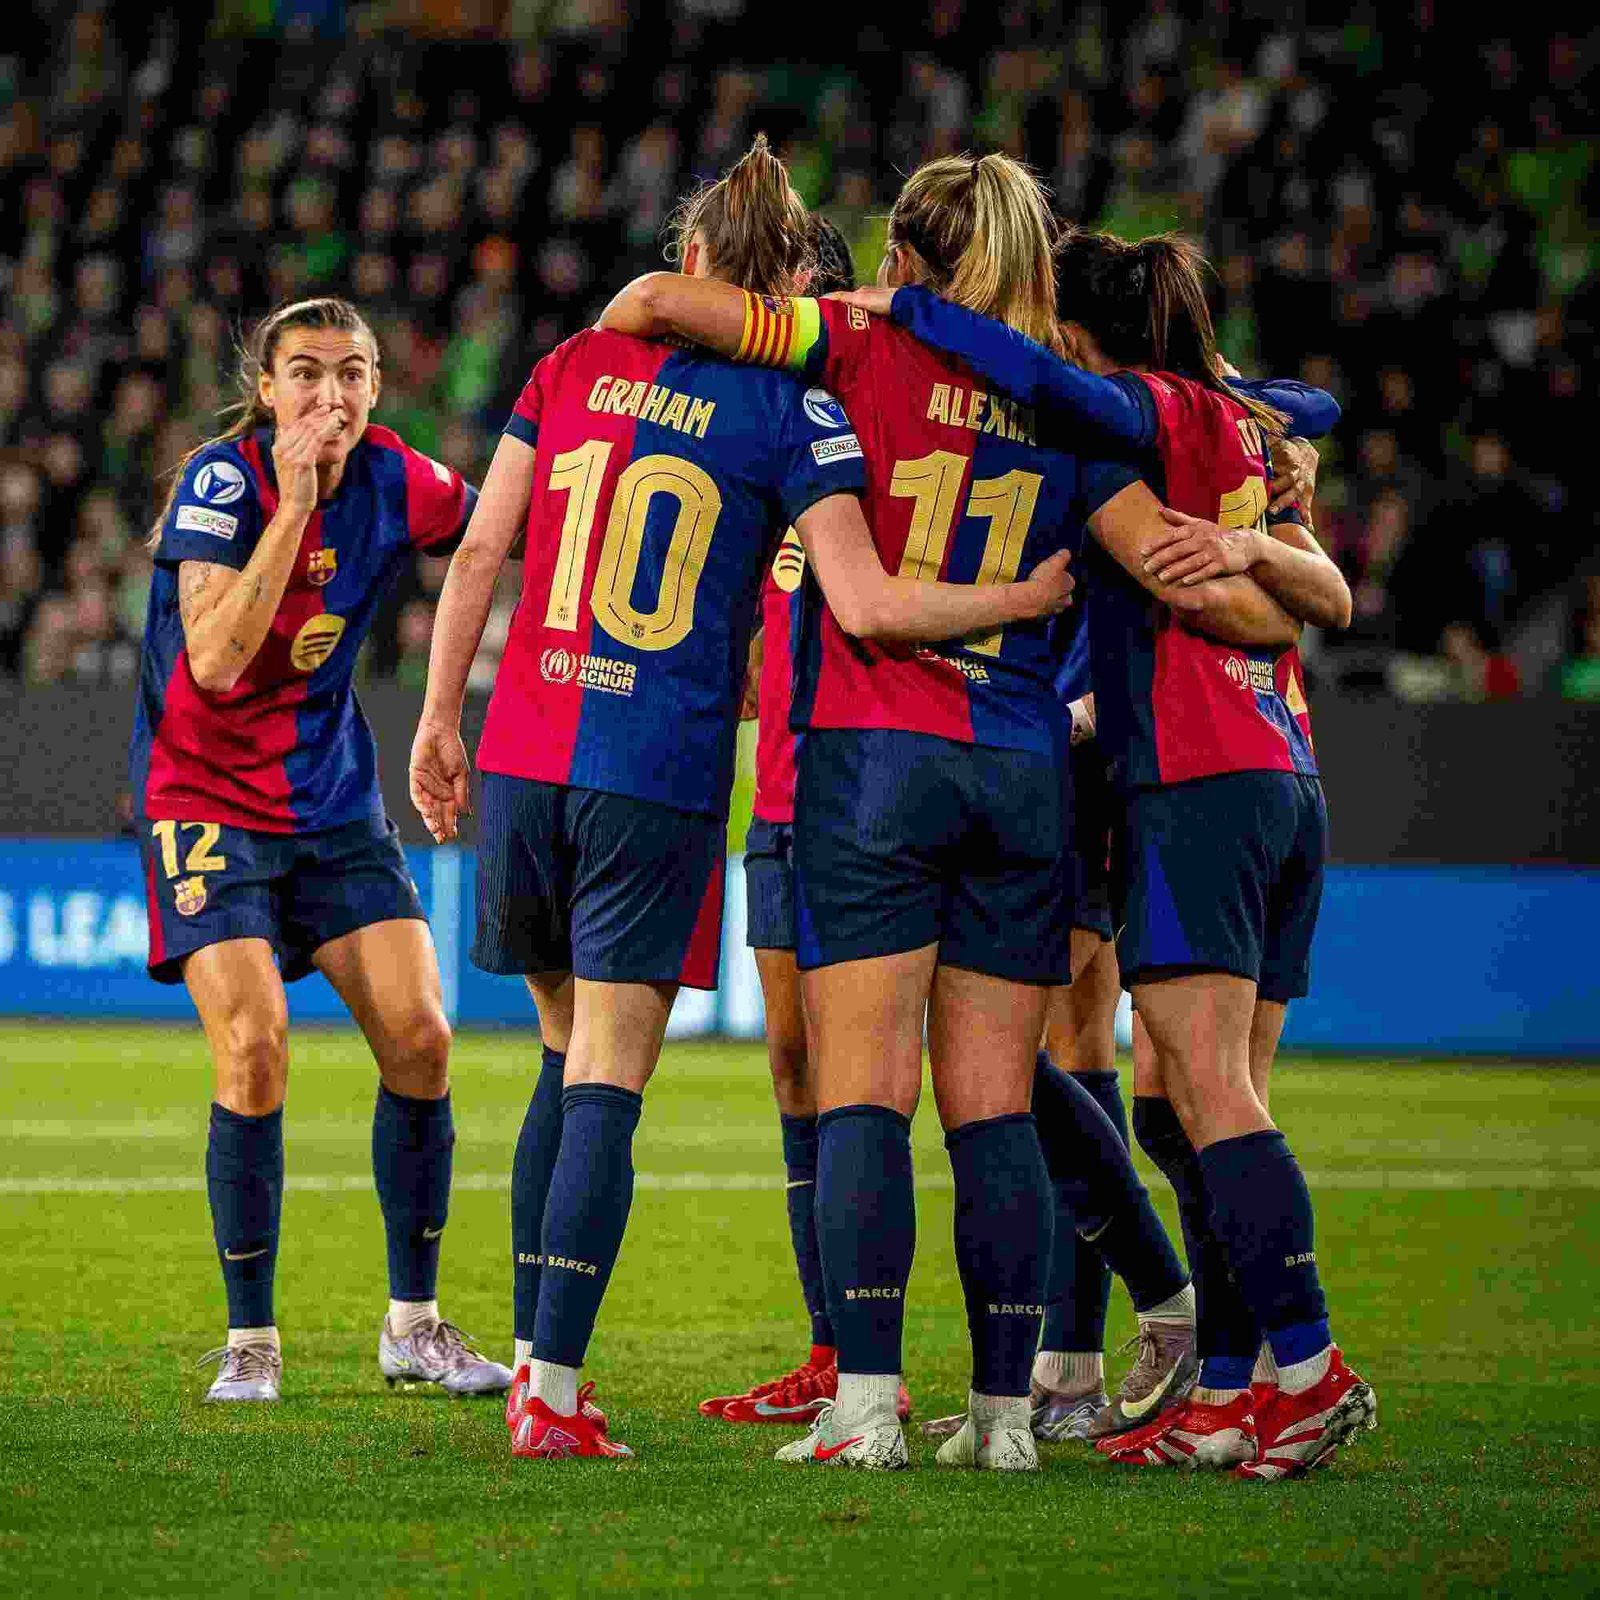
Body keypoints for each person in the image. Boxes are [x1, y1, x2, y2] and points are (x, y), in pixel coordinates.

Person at [599, 156, 1299, 1472]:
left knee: (866, 1095)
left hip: (877, 757)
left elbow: (662, 305)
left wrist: (789, 318)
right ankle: (1005, 1417)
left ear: (907, 260)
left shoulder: (855, 341)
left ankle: (866, 1405)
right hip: (1024, 767)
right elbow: (1185, 576)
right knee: (992, 1109)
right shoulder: (1075, 402)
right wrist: (1297, 584)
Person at [410, 140, 1073, 1462]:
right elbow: (870, 602)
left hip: (528, 743)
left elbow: (483, 541)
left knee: (558, 1053)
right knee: (618, 1071)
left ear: (697, 260)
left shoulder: (569, 366)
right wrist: (1024, 600)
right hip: (661, 769)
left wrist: (437, 717)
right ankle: (555, 1392)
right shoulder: (807, 409)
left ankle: (554, 1367)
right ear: (802, 291)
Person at [846, 230, 1373, 1479]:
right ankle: (1232, 1391)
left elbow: (1042, 388)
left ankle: (1311, 1370)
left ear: (1079, 335)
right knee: (1180, 1110)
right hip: (1284, 770)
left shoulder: (1125, 418)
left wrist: (912, 308)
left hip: (1191, 777)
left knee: (1207, 1101)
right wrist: (1263, 546)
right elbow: (1315, 421)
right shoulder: (1245, 422)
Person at [130, 296, 511, 1404]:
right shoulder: (223, 483)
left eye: (350, 374)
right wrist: (294, 508)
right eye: (304, 373)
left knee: (424, 1039)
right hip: (205, 799)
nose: (328, 396)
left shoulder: (400, 475)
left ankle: (415, 1325)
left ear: (377, 388)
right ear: (267, 390)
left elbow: (502, 525)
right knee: (254, 1047)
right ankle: (252, 1340)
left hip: (333, 804)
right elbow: (212, 660)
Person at [698, 218, 912, 1431]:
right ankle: (833, 1354)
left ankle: (1080, 1343)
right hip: (773, 795)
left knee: (943, 1084)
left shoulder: (867, 424)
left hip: (870, 793)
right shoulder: (754, 431)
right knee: (792, 1067)